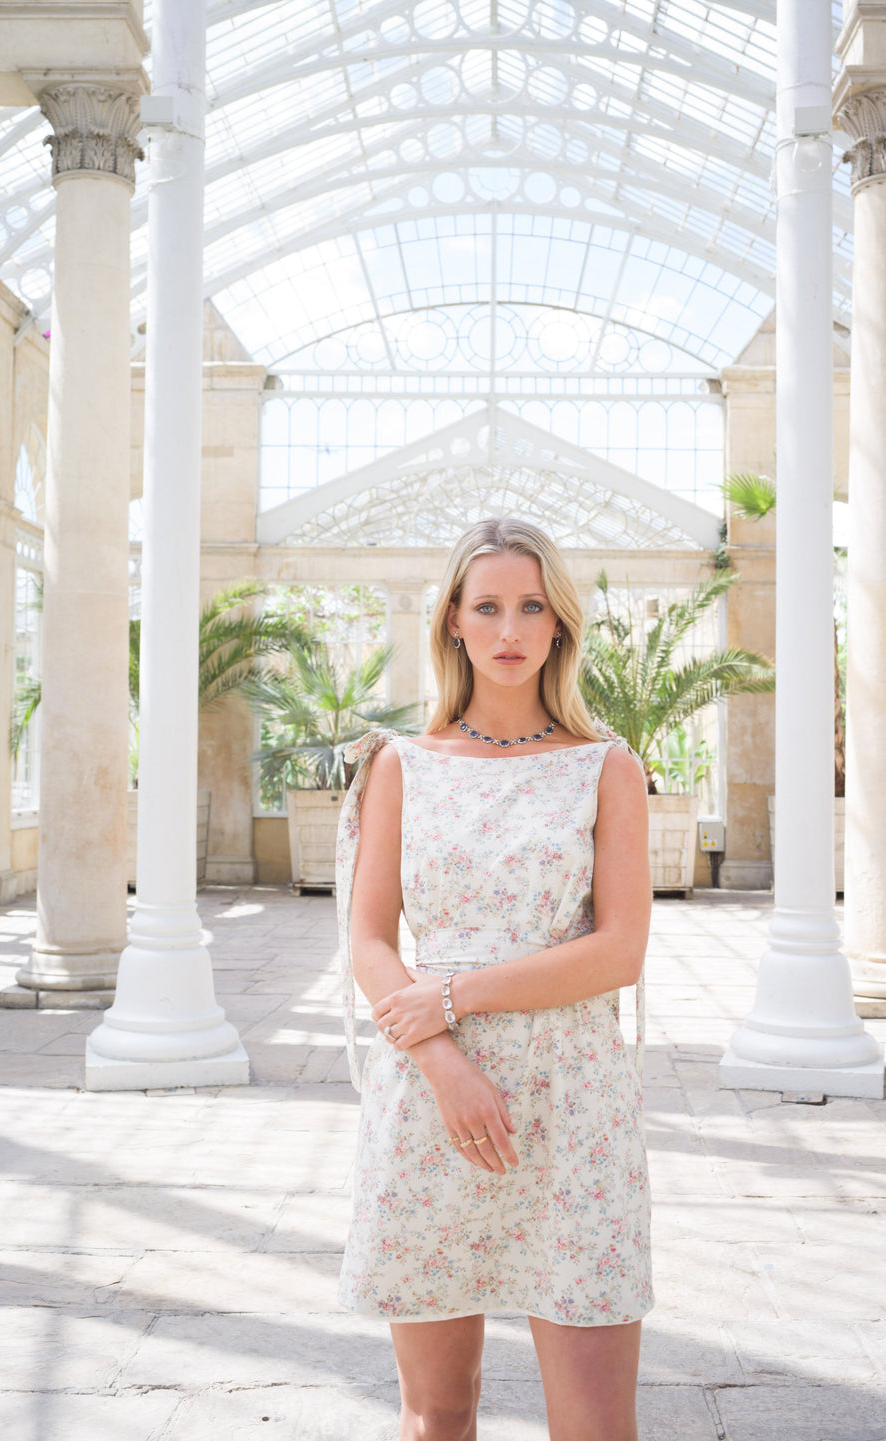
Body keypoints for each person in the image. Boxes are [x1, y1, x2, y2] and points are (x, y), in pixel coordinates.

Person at [334, 516, 653, 1441]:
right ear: (453, 623)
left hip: (574, 1106)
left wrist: (450, 996)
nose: (510, 628)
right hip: (432, 1101)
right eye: (488, 607)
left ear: (559, 625)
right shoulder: (402, 765)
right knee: (437, 1416)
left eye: (531, 606)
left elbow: (618, 950)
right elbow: (367, 939)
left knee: (595, 1426)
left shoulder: (607, 766)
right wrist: (443, 1059)